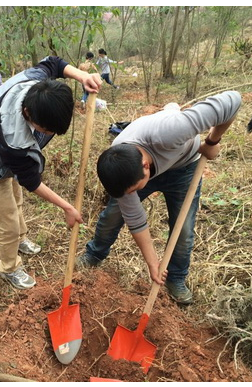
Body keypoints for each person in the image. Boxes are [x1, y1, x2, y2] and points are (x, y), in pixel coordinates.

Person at [78, 91, 242, 305]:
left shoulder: (171, 131)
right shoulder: (121, 167)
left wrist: (212, 141)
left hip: (185, 167)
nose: (131, 196)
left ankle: (176, 278)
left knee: (182, 229)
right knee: (113, 214)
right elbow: (135, 219)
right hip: (146, 172)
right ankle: (95, 254)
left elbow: (233, 101)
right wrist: (152, 262)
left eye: (132, 191)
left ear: (145, 166)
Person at [0, 56, 101, 289]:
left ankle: (21, 239)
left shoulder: (37, 82)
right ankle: (9, 267)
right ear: (27, 112)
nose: (49, 134)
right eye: (45, 130)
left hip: (6, 158)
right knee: (7, 217)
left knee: (17, 201)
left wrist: (82, 76)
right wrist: (67, 207)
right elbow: (31, 180)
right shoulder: (11, 137)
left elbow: (54, 64)